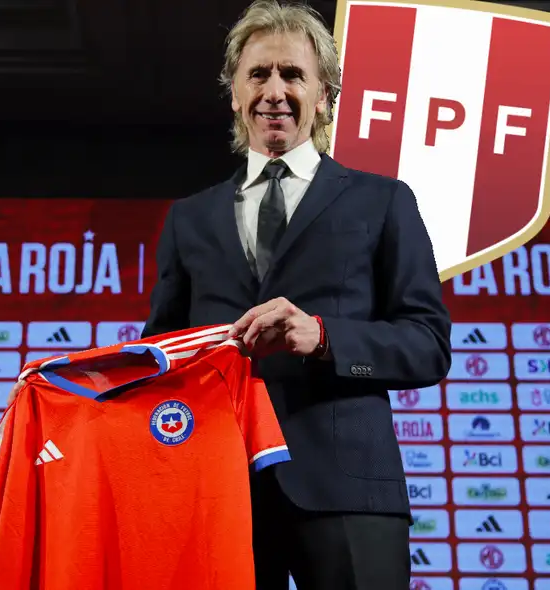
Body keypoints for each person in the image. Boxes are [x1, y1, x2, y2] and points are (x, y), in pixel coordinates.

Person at [141, 1, 452, 589]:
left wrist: (323, 336)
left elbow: (428, 343)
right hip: (219, 488)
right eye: (258, 75)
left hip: (349, 489)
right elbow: (164, 350)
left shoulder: (384, 201)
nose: (274, 91)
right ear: (234, 93)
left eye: (293, 75)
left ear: (325, 94)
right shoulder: (188, 218)